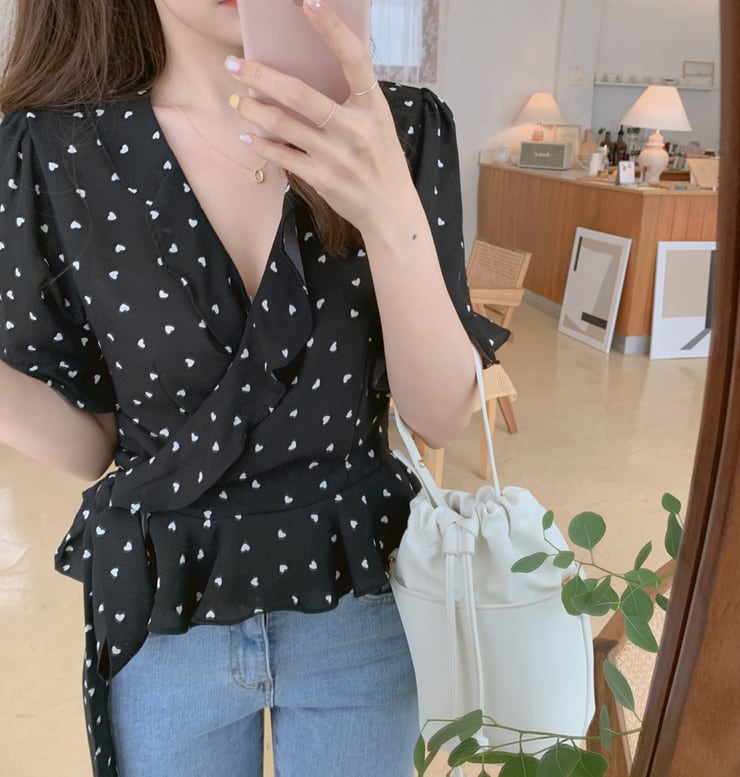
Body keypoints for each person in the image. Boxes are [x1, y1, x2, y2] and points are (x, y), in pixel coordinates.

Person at [0, 0, 508, 775]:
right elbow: (91, 445)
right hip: (165, 614)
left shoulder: (399, 127)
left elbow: (438, 415)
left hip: (360, 601)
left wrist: (386, 206)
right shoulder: (52, 148)